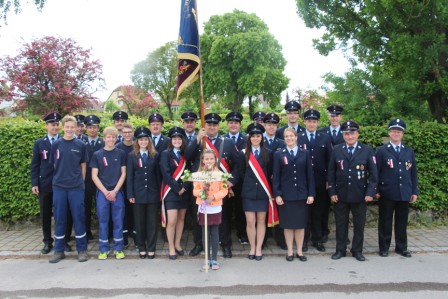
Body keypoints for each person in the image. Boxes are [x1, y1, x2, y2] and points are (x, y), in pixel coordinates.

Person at [185, 113, 240, 258]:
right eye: (209, 124)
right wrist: (197, 139)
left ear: (218, 126)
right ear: (205, 126)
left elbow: (238, 164)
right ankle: (199, 244)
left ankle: (225, 244)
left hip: (219, 189)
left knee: (223, 218)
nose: (211, 127)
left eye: (214, 125)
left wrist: (231, 181)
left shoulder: (226, 142)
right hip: (200, 189)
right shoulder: (198, 141)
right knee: (199, 218)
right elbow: (187, 156)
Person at [327, 121, 378, 262]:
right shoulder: (337, 149)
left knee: (359, 224)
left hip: (360, 194)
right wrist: (332, 192)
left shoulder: (367, 150)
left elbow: (374, 174)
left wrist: (370, 192)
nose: (350, 136)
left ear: (358, 134)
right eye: (346, 134)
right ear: (343, 135)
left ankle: (357, 251)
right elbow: (331, 173)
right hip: (341, 194)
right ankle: (340, 250)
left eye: (352, 133)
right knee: (340, 224)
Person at [48, 115, 89, 263]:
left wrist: (80, 182)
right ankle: (58, 250)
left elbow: (83, 166)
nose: (70, 129)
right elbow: (54, 165)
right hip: (59, 188)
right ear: (63, 127)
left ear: (76, 127)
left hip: (76, 187)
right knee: (59, 219)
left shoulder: (80, 145)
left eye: (73, 127)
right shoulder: (56, 145)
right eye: (67, 126)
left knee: (79, 218)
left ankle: (82, 250)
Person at [376, 118, 418, 258]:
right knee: (385, 222)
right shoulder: (381, 150)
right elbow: (376, 172)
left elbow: (413, 173)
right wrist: (376, 190)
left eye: (399, 131)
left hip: (404, 192)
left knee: (401, 222)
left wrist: (414, 191)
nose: (396, 134)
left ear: (403, 134)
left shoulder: (409, 151)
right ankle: (384, 247)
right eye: (393, 131)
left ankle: (401, 247)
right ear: (389, 133)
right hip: (387, 192)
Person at [273, 128, 315, 262]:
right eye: (286, 136)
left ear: (296, 137)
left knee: (300, 225)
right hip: (286, 196)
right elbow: (276, 177)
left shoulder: (305, 153)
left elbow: (310, 175)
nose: (289, 138)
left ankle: (300, 251)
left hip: (302, 195)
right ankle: (290, 251)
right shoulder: (279, 154)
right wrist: (277, 194)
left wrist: (311, 194)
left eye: (291, 136)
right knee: (288, 225)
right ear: (284, 138)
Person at [90, 127, 127, 260]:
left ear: (116, 138)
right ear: (104, 138)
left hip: (117, 193)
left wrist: (115, 191)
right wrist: (106, 192)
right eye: (108, 137)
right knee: (103, 221)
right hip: (103, 194)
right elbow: (94, 176)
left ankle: (118, 248)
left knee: (118, 221)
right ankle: (103, 249)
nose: (111, 139)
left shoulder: (121, 153)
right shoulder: (97, 154)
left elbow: (124, 173)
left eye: (113, 137)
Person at [299, 109, 332, 252]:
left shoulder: (325, 138)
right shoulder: (298, 137)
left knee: (318, 212)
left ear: (317, 123)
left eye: (314, 121)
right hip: (302, 181)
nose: (311, 124)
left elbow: (330, 162)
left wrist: (329, 181)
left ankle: (317, 240)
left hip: (320, 181)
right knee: (304, 212)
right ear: (304, 122)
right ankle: (304, 241)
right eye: (309, 121)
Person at [31, 112, 64, 254]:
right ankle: (47, 241)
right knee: (45, 214)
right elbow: (35, 165)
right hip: (45, 184)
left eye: (57, 124)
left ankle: (62, 240)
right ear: (47, 126)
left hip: (61, 184)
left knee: (61, 214)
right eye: (52, 124)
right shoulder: (39, 143)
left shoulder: (64, 141)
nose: (55, 127)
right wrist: (34, 183)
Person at [127, 126, 161, 259]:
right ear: (137, 141)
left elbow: (158, 176)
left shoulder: (155, 154)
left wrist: (159, 193)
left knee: (152, 223)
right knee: (139, 223)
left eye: (145, 139)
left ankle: (151, 248)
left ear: (149, 141)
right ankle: (141, 247)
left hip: (152, 194)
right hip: (138, 194)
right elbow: (129, 176)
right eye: (140, 140)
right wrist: (130, 194)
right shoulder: (132, 155)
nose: (143, 142)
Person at [240, 123, 273, 261]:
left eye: (258, 136)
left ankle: (259, 248)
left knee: (261, 221)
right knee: (250, 221)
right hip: (248, 192)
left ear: (261, 137)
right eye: (252, 136)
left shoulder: (268, 153)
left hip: (262, 193)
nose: (255, 138)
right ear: (249, 138)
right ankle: (252, 247)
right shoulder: (243, 153)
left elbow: (270, 173)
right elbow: (241, 173)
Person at [193, 149, 229, 270]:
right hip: (204, 207)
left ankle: (214, 259)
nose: (209, 161)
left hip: (215, 206)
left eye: (211, 159)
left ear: (215, 160)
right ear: (202, 160)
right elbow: (195, 190)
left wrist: (213, 197)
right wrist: (202, 193)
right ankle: (206, 258)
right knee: (205, 232)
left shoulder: (220, 174)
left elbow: (224, 190)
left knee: (215, 232)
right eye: (206, 159)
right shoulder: (198, 174)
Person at [160, 126, 191, 260]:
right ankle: (171, 247)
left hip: (184, 191)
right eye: (174, 138)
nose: (177, 140)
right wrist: (178, 188)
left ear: (183, 140)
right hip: (171, 192)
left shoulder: (186, 154)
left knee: (181, 218)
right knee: (171, 220)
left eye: (179, 138)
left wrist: (185, 186)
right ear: (171, 140)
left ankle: (178, 243)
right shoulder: (165, 153)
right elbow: (166, 174)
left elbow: (190, 172)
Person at [318, 104, 344, 243]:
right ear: (329, 117)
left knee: (342, 207)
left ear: (341, 117)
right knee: (323, 206)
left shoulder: (346, 132)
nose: (334, 118)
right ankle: (323, 232)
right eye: (332, 116)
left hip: (342, 174)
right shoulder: (322, 132)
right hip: (326, 175)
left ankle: (342, 235)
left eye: (337, 116)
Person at [223, 111, 248, 245]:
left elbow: (241, 164)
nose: (233, 125)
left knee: (240, 210)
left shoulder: (246, 140)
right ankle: (224, 237)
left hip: (241, 181)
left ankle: (241, 234)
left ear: (240, 124)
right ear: (227, 124)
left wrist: (233, 181)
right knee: (225, 211)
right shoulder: (221, 140)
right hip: (223, 182)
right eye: (231, 123)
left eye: (236, 123)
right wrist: (227, 182)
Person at [262, 112, 287, 249]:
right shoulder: (259, 140)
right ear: (264, 125)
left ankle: (280, 239)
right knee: (263, 210)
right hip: (262, 181)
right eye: (269, 124)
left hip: (278, 182)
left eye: (274, 125)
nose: (271, 127)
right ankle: (263, 239)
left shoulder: (282, 143)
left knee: (279, 209)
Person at [83, 114, 104, 241]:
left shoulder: (103, 142)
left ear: (98, 128)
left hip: (100, 181)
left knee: (101, 208)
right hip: (85, 181)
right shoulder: (81, 143)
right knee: (85, 208)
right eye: (89, 127)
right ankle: (87, 232)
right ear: (86, 128)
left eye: (94, 127)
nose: (92, 130)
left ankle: (103, 232)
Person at [116, 123, 136, 248]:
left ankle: (135, 235)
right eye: (125, 132)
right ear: (122, 133)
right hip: (121, 184)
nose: (127, 134)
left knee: (134, 212)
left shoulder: (137, 146)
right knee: (122, 212)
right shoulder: (118, 147)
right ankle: (124, 238)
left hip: (135, 184)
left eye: (129, 132)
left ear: (133, 132)